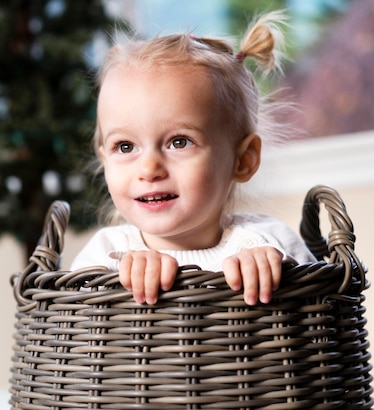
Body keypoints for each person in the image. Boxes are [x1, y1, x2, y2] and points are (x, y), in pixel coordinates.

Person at [71, 10, 316, 306]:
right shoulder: (107, 254)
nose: (149, 169)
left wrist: (276, 271)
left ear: (243, 160)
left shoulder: (266, 241)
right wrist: (117, 283)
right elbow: (74, 329)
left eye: (179, 142)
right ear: (104, 159)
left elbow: (317, 307)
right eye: (125, 147)